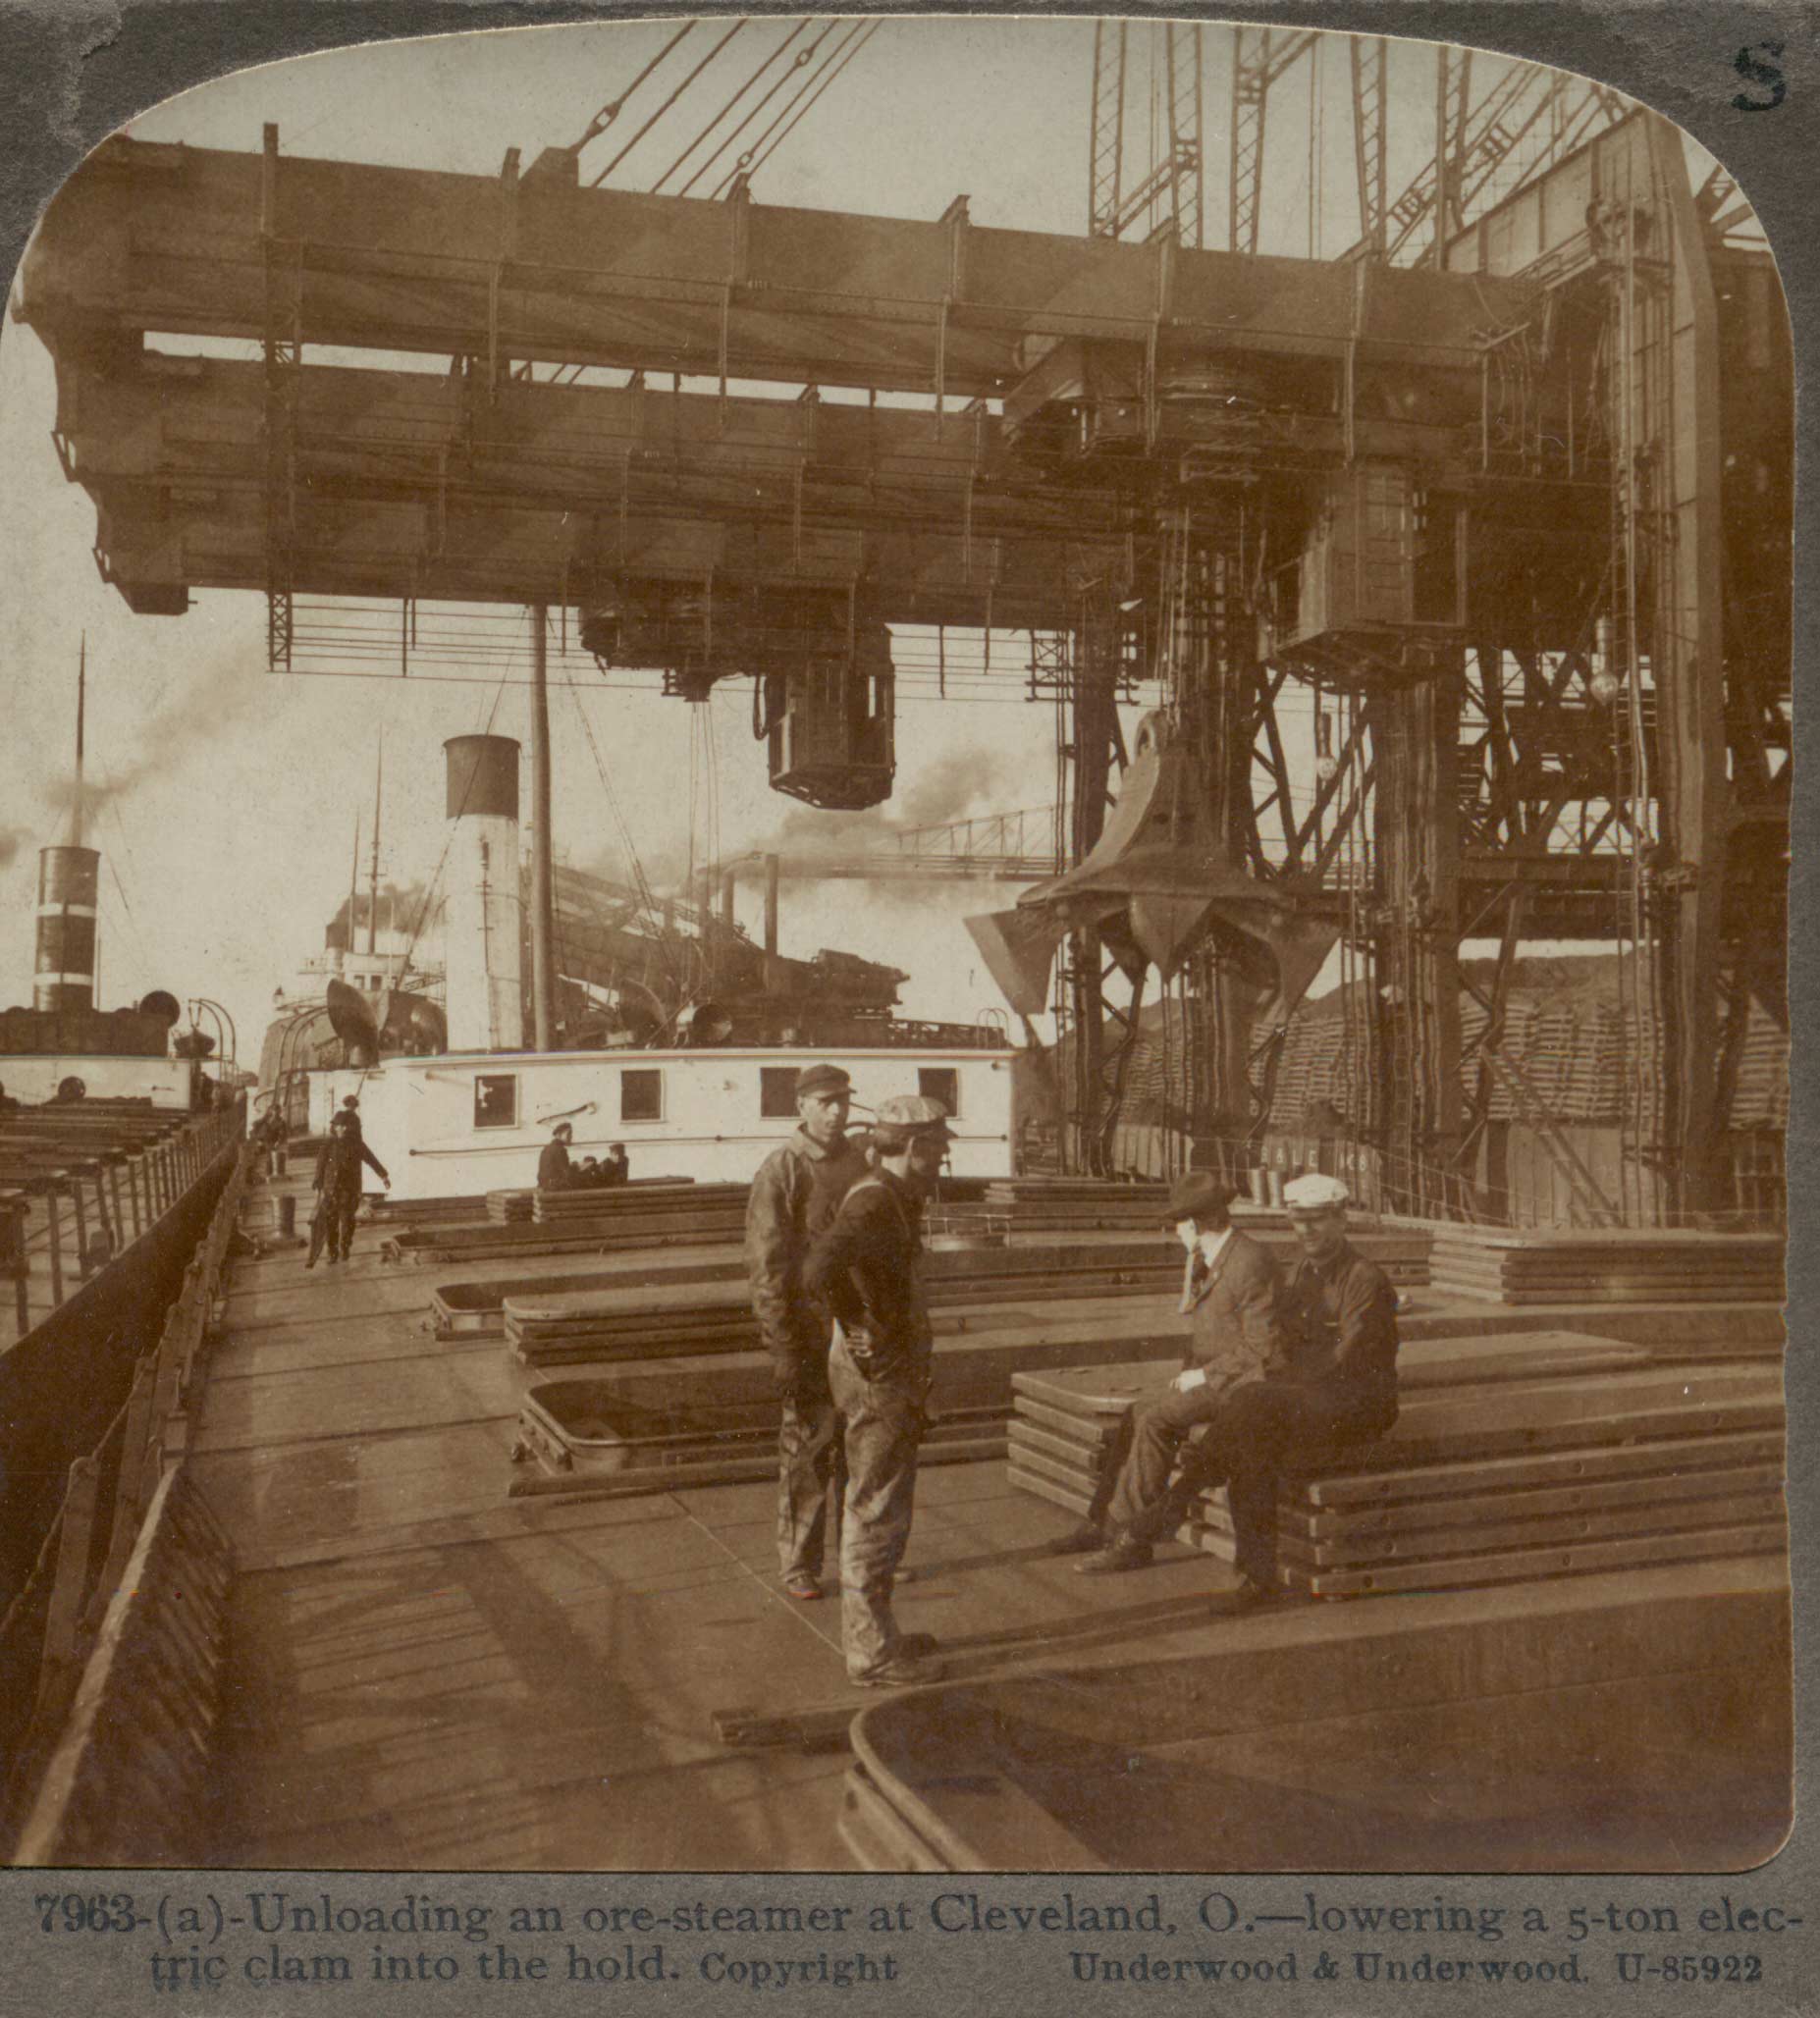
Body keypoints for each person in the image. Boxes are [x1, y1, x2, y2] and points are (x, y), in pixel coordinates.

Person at [1070, 1173, 1399, 1602]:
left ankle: (1175, 1503)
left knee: (1251, 1404)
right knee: (1249, 1445)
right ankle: (1256, 1581)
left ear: (1341, 1220)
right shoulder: (1306, 1273)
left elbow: (1343, 1363)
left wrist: (1272, 1386)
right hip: (1309, 1401)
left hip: (1357, 1407)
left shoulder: (1364, 1279)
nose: (1307, 1231)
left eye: (1317, 1220)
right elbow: (1287, 1347)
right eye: (1299, 1222)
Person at [1050, 1171, 1287, 1566]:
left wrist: (1202, 1376)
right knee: (1135, 1413)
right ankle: (1099, 1523)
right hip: (1217, 1376)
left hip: (1243, 1385)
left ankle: (1130, 1540)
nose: (1175, 1231)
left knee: (1156, 1419)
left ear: (1195, 1224)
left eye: (1178, 1222)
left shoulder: (1249, 1262)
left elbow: (1263, 1348)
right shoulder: (1208, 1257)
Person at [803, 1094, 951, 1688]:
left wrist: (856, 1320)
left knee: (876, 1501)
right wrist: (856, 1321)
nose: (942, 1159)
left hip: (881, 1368)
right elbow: (818, 1268)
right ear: (914, 1148)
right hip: (880, 1376)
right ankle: (872, 1654)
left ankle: (878, 1632)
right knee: (877, 1508)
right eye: (937, 1148)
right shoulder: (876, 1204)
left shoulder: (887, 1194)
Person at [745, 1064, 869, 1603]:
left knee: (861, 1448)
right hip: (810, 1333)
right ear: (801, 1106)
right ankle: (799, 1563)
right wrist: (785, 1348)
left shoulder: (859, 1162)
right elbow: (767, 1268)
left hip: (860, 1329)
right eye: (824, 1101)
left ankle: (858, 1557)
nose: (836, 1110)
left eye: (842, 1100)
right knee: (809, 1448)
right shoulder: (783, 1170)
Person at [308, 1108, 390, 1267]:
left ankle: (345, 1246)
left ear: (349, 1127)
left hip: (349, 1190)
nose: (341, 1128)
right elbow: (320, 1164)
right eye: (338, 1125)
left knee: (347, 1222)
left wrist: (383, 1176)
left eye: (344, 1126)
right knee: (330, 1222)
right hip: (331, 1189)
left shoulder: (357, 1145)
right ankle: (333, 1252)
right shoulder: (328, 1144)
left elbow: (371, 1160)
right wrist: (318, 1182)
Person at [537, 1121, 576, 1192]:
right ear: (559, 1135)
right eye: (568, 1134)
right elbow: (566, 1173)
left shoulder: (547, 1148)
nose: (571, 1137)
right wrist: (576, 1167)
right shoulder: (560, 1149)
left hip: (545, 1185)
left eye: (571, 1134)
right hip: (555, 1187)